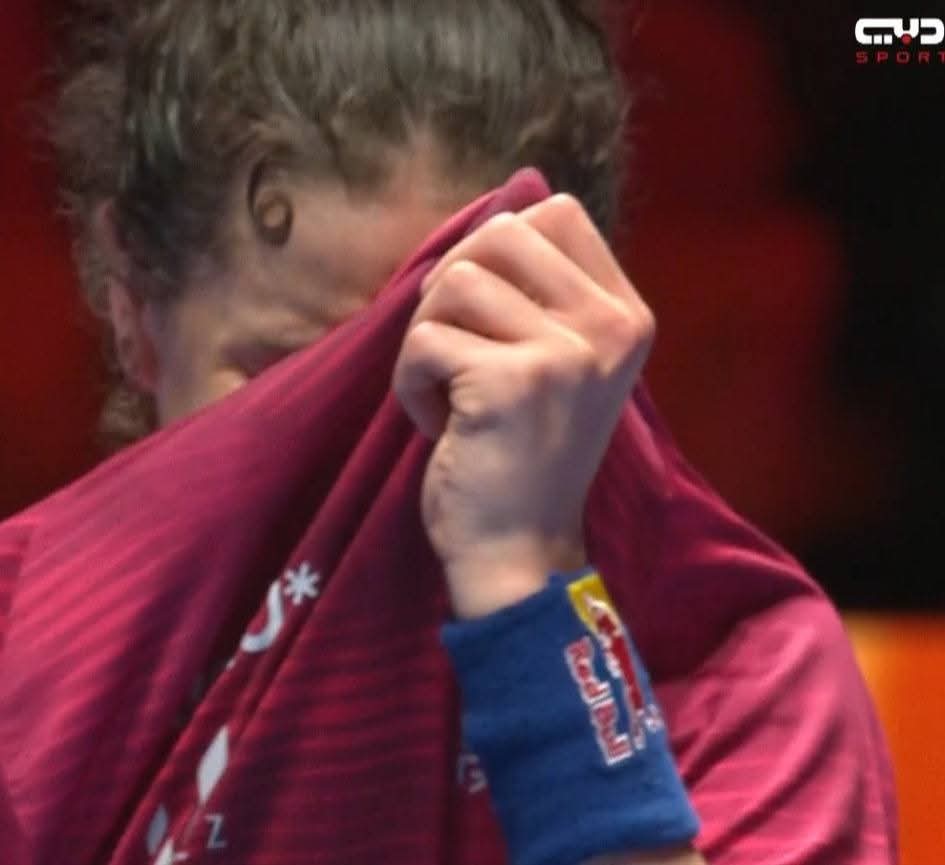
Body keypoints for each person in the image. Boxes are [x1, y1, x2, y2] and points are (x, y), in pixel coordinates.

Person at [0, 1, 895, 863]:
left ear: (583, 320)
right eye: (293, 385)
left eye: (452, 375)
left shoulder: (750, 676)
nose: (371, 462)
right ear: (133, 307)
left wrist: (525, 586)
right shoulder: (22, 655)